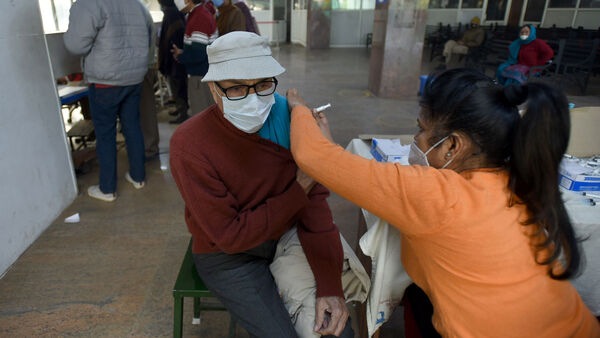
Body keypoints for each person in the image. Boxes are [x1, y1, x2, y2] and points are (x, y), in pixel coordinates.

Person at [287, 68, 600, 337]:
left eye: (422, 129)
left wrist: (298, 108)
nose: (416, 140)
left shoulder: (436, 195)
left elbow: (313, 156)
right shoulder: (515, 179)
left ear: (452, 145)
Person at [169, 31, 356, 337]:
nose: (254, 98)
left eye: (264, 84)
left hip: (287, 235)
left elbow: (317, 213)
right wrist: (301, 186)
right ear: (215, 90)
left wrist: (330, 286)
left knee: (332, 331)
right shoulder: (190, 145)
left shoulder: (291, 119)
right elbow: (230, 236)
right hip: (228, 257)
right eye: (238, 88)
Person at [64, 0, 153, 202]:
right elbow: (149, 35)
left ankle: (107, 189)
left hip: (106, 79)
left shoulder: (90, 3)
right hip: (134, 78)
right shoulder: (136, 4)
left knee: (105, 135)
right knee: (132, 127)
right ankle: (138, 177)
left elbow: (75, 45)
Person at [171, 0, 218, 119]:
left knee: (202, 118)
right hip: (203, 75)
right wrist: (184, 52)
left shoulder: (199, 18)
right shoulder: (197, 14)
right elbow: (200, 46)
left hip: (200, 77)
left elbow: (198, 54)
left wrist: (181, 56)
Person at [158, 0, 190, 124]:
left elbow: (171, 35)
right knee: (177, 84)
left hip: (174, 56)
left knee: (177, 84)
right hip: (177, 55)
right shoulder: (176, 12)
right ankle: (180, 108)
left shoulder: (170, 14)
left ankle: (183, 112)